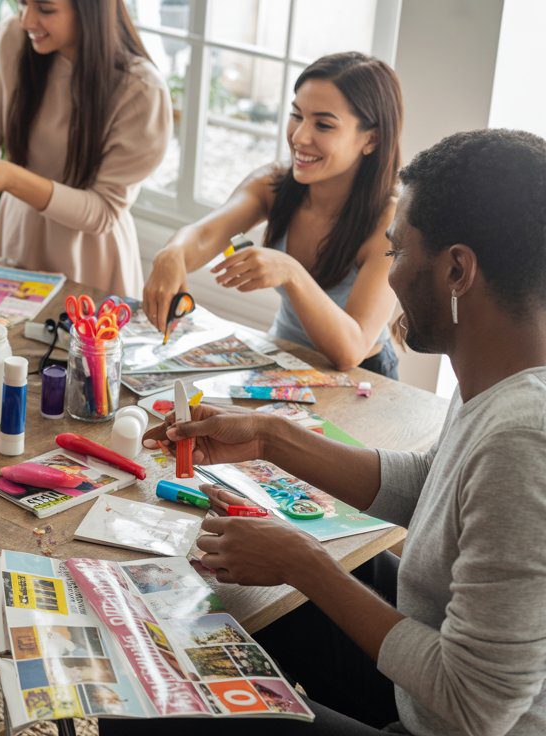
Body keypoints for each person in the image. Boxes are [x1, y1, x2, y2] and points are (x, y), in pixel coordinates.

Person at [127, 129, 546, 735]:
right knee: (212, 602)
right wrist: (270, 438)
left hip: (449, 722)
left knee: (146, 691)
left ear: (458, 269)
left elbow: (473, 707)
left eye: (398, 253)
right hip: (426, 679)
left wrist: (307, 567)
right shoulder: (498, 375)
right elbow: (430, 486)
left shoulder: (523, 440)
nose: (392, 277)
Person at [143, 53, 403, 376]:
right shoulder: (275, 183)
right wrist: (172, 254)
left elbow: (350, 349)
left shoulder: (390, 223)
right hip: (283, 357)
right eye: (297, 116)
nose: (299, 136)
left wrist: (291, 272)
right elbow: (205, 235)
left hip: (363, 376)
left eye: (323, 124)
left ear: (371, 139)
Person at [0, 0, 171, 296]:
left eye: (45, 9)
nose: (26, 21)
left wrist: (10, 178)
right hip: (16, 244)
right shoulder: (9, 42)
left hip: (90, 263)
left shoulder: (140, 90)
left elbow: (102, 211)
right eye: (22, 4)